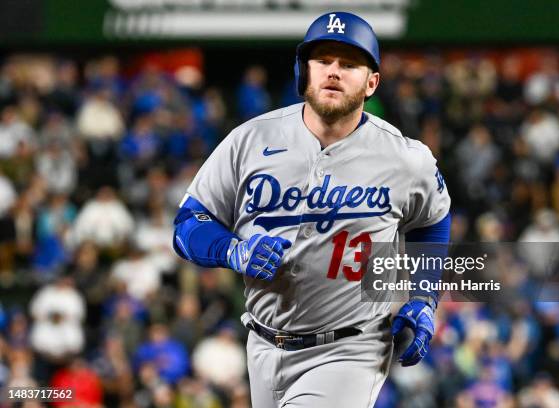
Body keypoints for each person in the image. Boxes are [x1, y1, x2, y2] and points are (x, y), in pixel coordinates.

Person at [173, 11, 451, 407]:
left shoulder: (405, 158)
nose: (334, 71)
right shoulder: (250, 139)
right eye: (323, 61)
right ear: (303, 71)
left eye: (349, 63)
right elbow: (188, 222)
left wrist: (424, 297)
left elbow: (433, 219)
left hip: (351, 347)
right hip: (262, 342)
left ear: (372, 81)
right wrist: (232, 250)